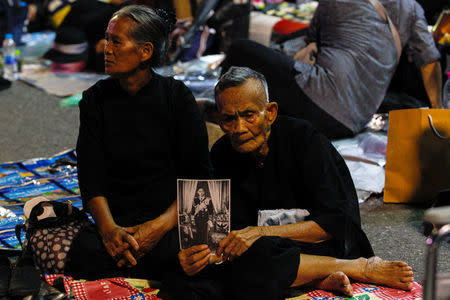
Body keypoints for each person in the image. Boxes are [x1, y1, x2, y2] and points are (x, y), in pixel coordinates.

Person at [175, 67, 414, 300]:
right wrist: (200, 257)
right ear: (219, 118)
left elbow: (335, 224)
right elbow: (221, 236)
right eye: (229, 119)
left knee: (258, 259)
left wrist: (260, 233)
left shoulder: (305, 140)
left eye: (249, 115)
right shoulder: (222, 153)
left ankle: (360, 268)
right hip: (264, 255)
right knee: (187, 278)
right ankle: (314, 278)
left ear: (270, 112)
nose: (239, 128)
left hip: (317, 247)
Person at [67, 5, 212, 282]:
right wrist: (109, 231)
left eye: (116, 41)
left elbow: (199, 175)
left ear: (145, 51)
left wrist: (156, 229)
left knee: (197, 255)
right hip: (119, 221)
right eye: (107, 39)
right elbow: (90, 175)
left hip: (169, 218)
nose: (105, 48)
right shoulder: (95, 100)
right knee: (83, 251)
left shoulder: (177, 98)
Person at [220, 0, 442, 139]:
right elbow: (430, 61)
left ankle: (227, 115)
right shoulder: (411, 7)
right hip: (358, 119)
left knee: (241, 50)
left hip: (322, 105)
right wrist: (439, 111)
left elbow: (311, 42)